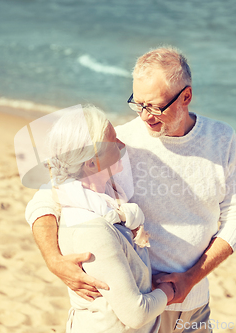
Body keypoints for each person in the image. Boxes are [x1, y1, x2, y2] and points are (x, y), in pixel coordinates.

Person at [26, 46, 236, 333]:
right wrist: (53, 259)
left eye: (155, 106)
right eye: (138, 104)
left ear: (186, 96)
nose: (146, 116)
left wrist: (192, 278)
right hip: (138, 310)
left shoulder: (222, 139)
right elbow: (46, 199)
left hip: (194, 306)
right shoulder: (119, 141)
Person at [42, 105, 174, 332]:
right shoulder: (93, 228)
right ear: (91, 162)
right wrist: (170, 292)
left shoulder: (106, 198)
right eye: (114, 141)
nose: (122, 145)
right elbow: (135, 314)